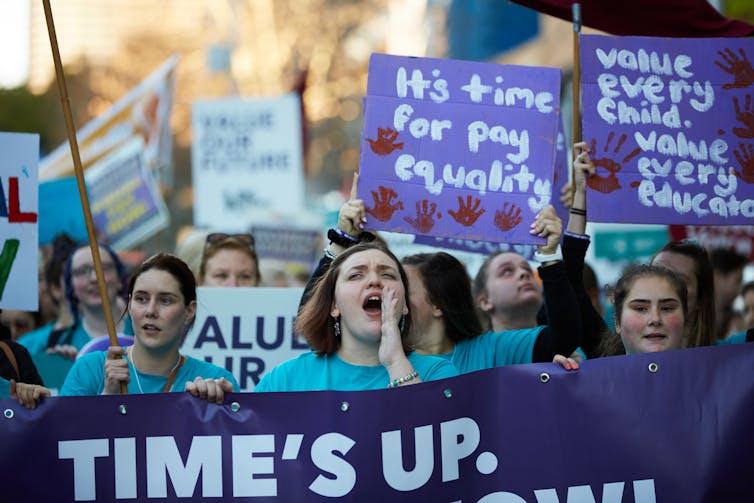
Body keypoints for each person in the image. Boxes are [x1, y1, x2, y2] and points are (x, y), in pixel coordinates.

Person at [255, 243, 459, 392]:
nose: (374, 280)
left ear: (404, 305)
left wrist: (396, 362)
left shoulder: (438, 373)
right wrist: (223, 405)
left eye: (387, 275)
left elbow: (434, 443)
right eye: (356, 275)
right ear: (334, 306)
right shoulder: (285, 380)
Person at [60, 253, 238, 403]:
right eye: (141, 299)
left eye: (165, 300)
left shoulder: (216, 381)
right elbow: (63, 440)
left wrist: (214, 411)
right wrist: (107, 398)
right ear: (129, 305)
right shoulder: (89, 370)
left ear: (189, 311)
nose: (151, 311)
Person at [403, 249, 581, 370]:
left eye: (404, 289)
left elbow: (564, 338)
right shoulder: (386, 362)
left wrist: (549, 256)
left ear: (437, 303)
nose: (391, 296)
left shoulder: (492, 350)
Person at [599, 264, 687, 356]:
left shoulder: (703, 368)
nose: (655, 319)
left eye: (667, 308)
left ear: (685, 317)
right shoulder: (592, 370)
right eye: (640, 309)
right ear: (617, 321)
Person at [650, 240, 715, 348]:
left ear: (700, 298)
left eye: (678, 281)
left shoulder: (727, 352)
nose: (662, 286)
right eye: (655, 274)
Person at [709, 247, 747, 341]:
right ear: (716, 276)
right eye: (738, 280)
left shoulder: (737, 320)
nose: (741, 288)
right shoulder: (692, 318)